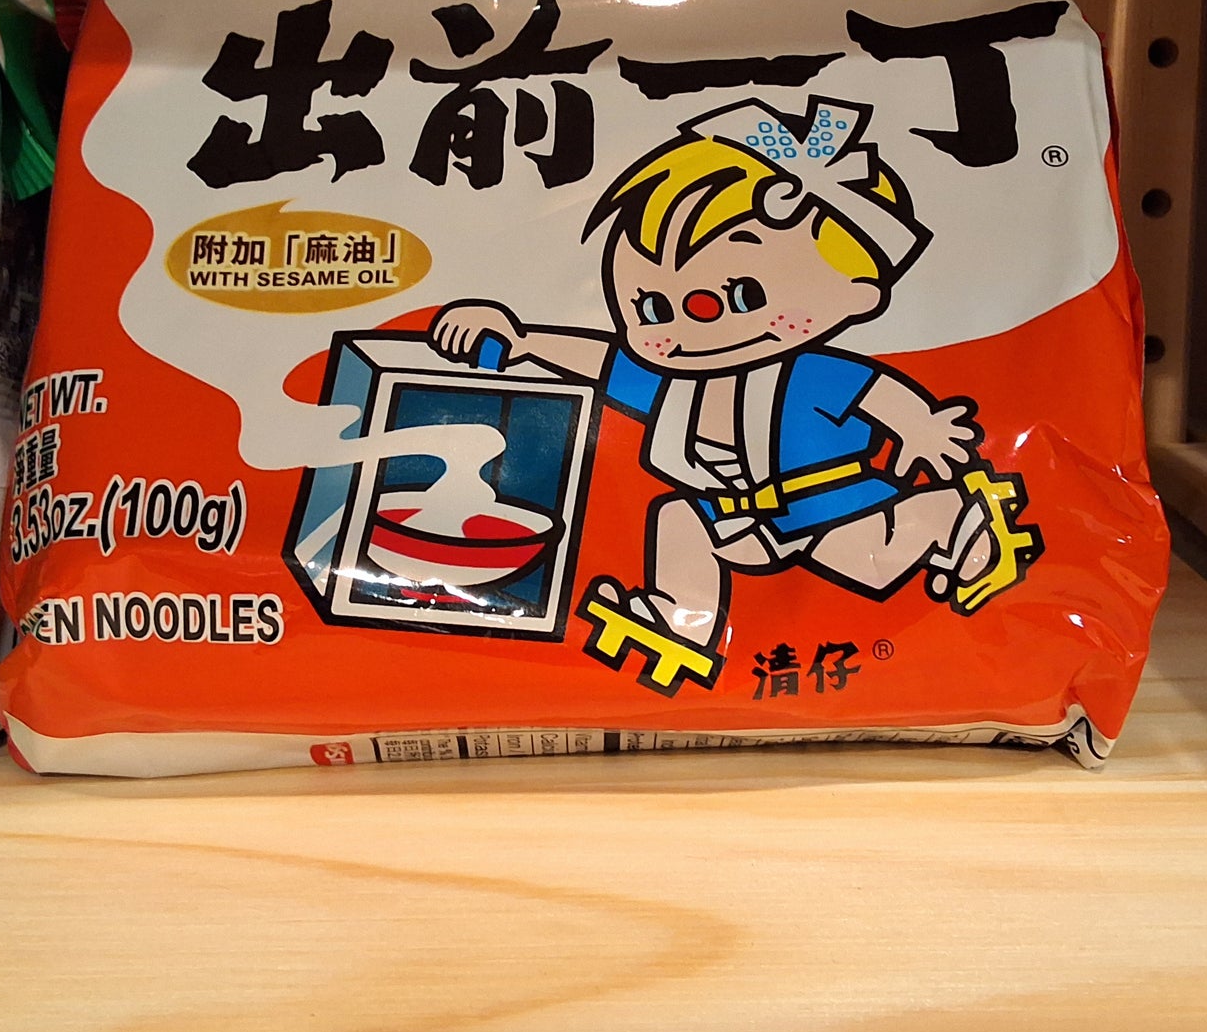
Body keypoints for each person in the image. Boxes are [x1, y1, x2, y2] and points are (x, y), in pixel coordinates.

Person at [430, 97, 1028, 688]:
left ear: (857, 292)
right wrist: (524, 340)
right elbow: (604, 360)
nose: (691, 323)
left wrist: (922, 427)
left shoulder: (809, 373)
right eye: (652, 307)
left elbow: (874, 391)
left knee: (871, 547)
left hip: (829, 497)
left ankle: (950, 517)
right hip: (736, 513)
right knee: (680, 517)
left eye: (742, 295)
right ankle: (682, 617)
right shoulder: (674, 384)